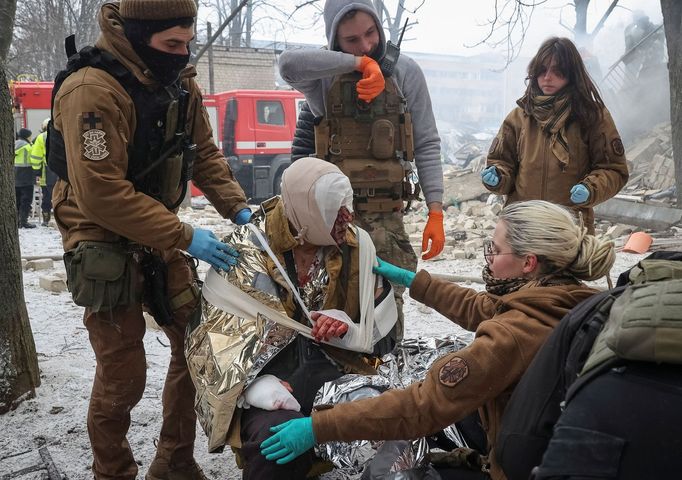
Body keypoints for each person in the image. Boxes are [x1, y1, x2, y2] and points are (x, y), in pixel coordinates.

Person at [260, 200, 616, 480]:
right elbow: (484, 308)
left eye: (494, 249)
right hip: (555, 450)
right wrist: (415, 282)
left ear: (529, 263)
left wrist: (318, 426)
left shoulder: (513, 335)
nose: (488, 259)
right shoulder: (567, 298)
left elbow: (422, 406)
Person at [50, 1, 252, 479]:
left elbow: (202, 152)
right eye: (170, 45)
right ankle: (113, 471)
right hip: (99, 235)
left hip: (159, 230)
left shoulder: (179, 84)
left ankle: (175, 461)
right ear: (138, 34)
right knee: (123, 375)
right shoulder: (91, 91)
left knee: (197, 344)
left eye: (187, 44)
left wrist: (238, 208)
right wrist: (185, 235)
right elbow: (101, 194)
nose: (181, 56)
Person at [186, 156, 397, 479]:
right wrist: (253, 388)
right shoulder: (248, 251)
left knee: (391, 420)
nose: (348, 217)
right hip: (268, 383)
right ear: (307, 210)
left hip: (333, 372)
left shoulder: (357, 249)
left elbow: (384, 341)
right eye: (334, 208)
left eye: (347, 205)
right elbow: (207, 344)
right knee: (278, 441)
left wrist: (347, 328)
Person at [278, 0, 445, 343]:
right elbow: (288, 64)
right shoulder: (323, 78)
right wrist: (359, 63)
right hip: (333, 218)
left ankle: (385, 379)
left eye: (371, 34)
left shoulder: (405, 72)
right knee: (332, 304)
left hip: (387, 217)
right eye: (352, 40)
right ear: (335, 41)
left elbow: (427, 142)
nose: (367, 45)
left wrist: (436, 209)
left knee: (387, 305)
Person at [481, 37, 629, 234]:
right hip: (522, 228)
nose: (547, 77)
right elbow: (503, 163)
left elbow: (614, 170)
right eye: (542, 70)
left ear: (572, 73)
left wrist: (591, 189)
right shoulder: (519, 117)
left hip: (569, 230)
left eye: (557, 70)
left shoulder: (592, 116)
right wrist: (498, 176)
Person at [30, 118, 59, 226]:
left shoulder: (41, 137)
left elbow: (36, 157)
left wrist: (37, 172)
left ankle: (46, 219)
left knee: (47, 197)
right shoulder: (63, 134)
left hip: (47, 172)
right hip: (62, 171)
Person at [14, 128, 38, 229]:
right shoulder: (28, 147)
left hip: (15, 176)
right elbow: (34, 160)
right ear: (27, 136)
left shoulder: (13, 145)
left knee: (17, 200)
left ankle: (16, 222)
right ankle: (23, 221)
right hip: (26, 177)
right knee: (26, 200)